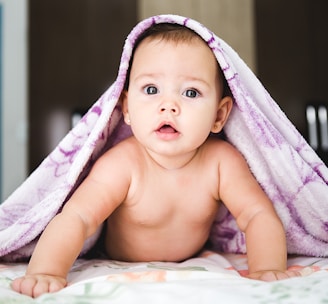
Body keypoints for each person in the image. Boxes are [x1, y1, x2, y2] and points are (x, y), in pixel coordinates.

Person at [11, 22, 300, 298]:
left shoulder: (222, 162)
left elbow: (257, 215)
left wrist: (267, 269)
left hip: (195, 257)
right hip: (118, 258)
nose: (168, 106)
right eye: (151, 90)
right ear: (126, 108)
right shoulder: (123, 164)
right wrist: (47, 271)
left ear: (219, 116)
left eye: (191, 92)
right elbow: (78, 218)